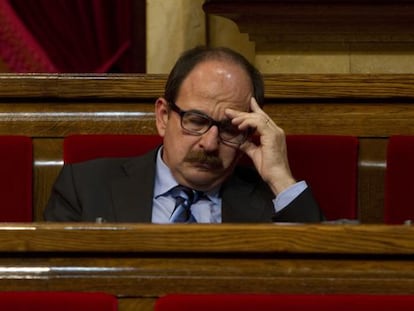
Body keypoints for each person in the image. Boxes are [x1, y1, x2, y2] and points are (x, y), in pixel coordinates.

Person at [44, 46, 324, 223]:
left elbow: (321, 278)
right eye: (196, 121)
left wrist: (280, 178)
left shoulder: (271, 201)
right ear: (163, 117)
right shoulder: (85, 186)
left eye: (228, 128)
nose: (210, 143)